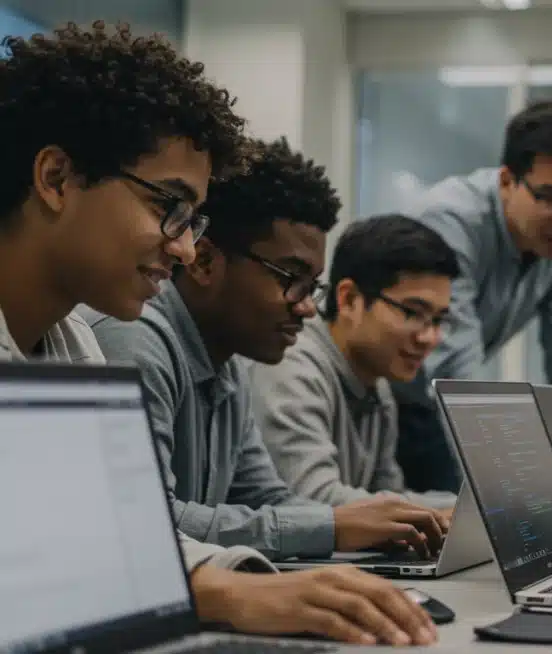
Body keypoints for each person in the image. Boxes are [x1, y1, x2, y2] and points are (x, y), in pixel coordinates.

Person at [0, 22, 433, 646]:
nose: (181, 247)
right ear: (58, 178)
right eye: (165, 207)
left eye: (192, 220)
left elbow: (123, 535)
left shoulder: (72, 342)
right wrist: (227, 591)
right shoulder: (116, 338)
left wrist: (247, 584)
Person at [86, 136, 449, 564]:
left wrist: (386, 522)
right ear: (203, 263)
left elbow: (265, 496)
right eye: (290, 278)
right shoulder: (134, 335)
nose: (308, 306)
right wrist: (334, 526)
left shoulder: (229, 360)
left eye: (312, 285)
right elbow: (150, 520)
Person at [250, 214, 460, 510]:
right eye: (413, 313)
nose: (430, 337)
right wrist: (461, 510)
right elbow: (312, 502)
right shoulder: (290, 364)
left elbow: (388, 497)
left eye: (439, 320)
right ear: (349, 299)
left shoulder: (379, 385)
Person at [415, 98, 552, 394]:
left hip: (439, 397)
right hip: (384, 401)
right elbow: (454, 370)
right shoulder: (451, 223)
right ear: (507, 181)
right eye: (550, 197)